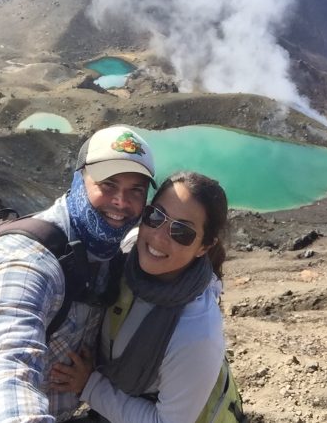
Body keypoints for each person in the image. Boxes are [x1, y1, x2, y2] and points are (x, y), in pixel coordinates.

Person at [0, 125, 156, 423]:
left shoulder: (107, 251)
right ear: (79, 179)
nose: (121, 202)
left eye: (136, 190)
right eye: (108, 184)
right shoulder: (25, 260)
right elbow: (6, 361)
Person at [51, 171, 229, 423]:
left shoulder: (197, 333)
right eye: (155, 216)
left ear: (204, 247)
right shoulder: (129, 248)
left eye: (181, 232)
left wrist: (90, 385)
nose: (158, 237)